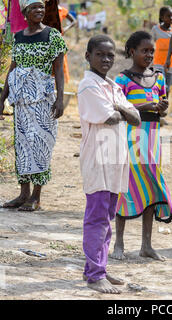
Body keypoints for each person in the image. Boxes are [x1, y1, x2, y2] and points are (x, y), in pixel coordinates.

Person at [77, 35, 141, 294]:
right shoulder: (87, 86)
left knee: (107, 216)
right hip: (97, 159)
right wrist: (120, 109)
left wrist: (120, 108)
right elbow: (112, 117)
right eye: (100, 55)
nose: (106, 59)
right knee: (97, 218)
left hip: (115, 159)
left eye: (110, 55)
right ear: (88, 56)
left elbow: (135, 117)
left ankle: (96, 267)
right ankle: (95, 275)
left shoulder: (112, 86)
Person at [111, 31, 172, 262]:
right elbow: (117, 107)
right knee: (125, 185)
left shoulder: (158, 77)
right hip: (130, 136)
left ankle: (146, 245)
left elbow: (163, 110)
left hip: (152, 137)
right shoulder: (122, 79)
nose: (149, 55)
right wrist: (147, 105)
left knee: (150, 185)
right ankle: (119, 242)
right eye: (144, 51)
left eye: (152, 51)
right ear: (132, 52)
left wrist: (162, 107)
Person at [0, 0, 67, 211]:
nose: (39, 11)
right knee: (22, 146)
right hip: (21, 102)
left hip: (42, 100)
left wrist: (60, 99)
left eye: (41, 7)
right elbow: (13, 68)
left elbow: (58, 69)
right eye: (34, 8)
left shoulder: (52, 35)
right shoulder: (19, 37)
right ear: (25, 13)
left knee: (40, 145)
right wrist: (2, 98)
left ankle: (36, 197)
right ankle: (23, 194)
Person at [151, 6, 172, 98]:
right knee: (161, 86)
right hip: (158, 63)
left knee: (169, 88)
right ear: (162, 17)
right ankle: (159, 106)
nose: (171, 18)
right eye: (168, 16)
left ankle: (165, 107)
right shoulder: (156, 29)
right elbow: (150, 44)